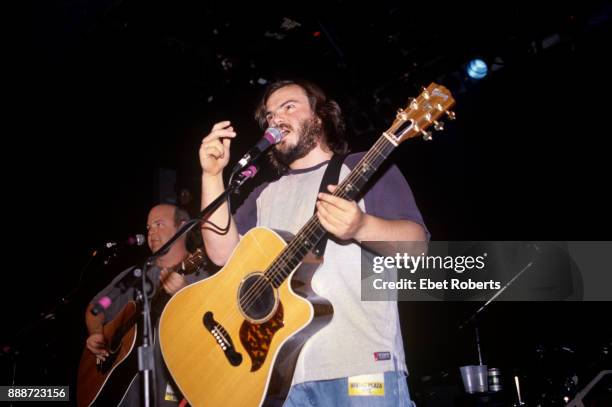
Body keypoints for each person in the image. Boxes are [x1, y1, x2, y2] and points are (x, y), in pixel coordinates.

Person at [199, 79, 428, 406]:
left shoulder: (363, 167)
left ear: (320, 117)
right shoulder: (264, 195)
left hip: (359, 368)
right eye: (269, 115)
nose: (275, 119)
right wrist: (211, 176)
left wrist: (361, 226)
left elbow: (417, 249)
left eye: (288, 106)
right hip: (279, 381)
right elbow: (221, 253)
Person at [84, 203, 208, 406]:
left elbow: (213, 329)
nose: (151, 232)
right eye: (149, 227)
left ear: (183, 227)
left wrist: (184, 295)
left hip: (169, 394)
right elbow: (96, 308)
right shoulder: (134, 277)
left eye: (159, 224)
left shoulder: (203, 276)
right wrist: (97, 333)